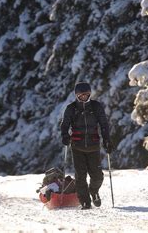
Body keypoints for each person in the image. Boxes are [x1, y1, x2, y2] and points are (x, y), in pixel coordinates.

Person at [60, 82, 114, 210]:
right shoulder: (71, 108)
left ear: (90, 94)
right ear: (76, 95)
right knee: (80, 176)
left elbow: (104, 124)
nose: (84, 97)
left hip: (93, 146)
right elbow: (64, 124)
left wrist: (107, 140)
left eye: (86, 94)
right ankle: (85, 201)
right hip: (77, 146)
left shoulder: (96, 107)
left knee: (97, 176)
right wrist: (65, 136)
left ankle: (93, 191)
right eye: (81, 95)